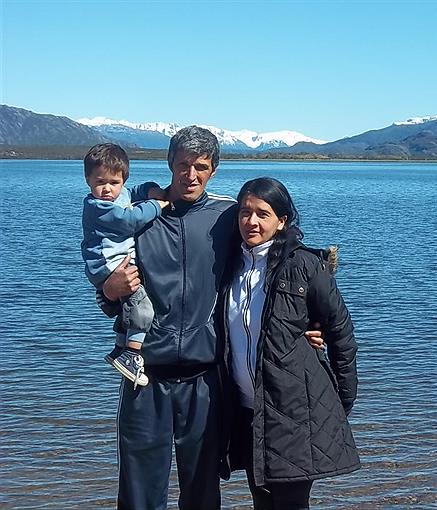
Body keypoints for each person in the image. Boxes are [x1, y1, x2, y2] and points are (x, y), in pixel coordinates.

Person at [101, 128, 324, 510]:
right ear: (170, 163)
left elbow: (279, 261)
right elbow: (103, 264)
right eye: (183, 165)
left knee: (202, 492)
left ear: (214, 170)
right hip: (143, 375)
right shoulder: (136, 214)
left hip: (205, 378)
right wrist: (108, 291)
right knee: (139, 494)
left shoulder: (226, 216)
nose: (191, 175)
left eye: (201, 167)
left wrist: (304, 325)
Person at [220, 177, 360, 509]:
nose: (251, 222)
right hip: (247, 412)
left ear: (281, 221)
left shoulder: (303, 266)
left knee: (291, 504)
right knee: (262, 501)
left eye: (262, 214)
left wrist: (341, 401)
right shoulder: (229, 264)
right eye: (245, 212)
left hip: (294, 411)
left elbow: (341, 333)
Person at [81, 143, 170, 388]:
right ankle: (131, 355)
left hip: (114, 263)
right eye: (100, 182)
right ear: (88, 180)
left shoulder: (120, 195)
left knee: (126, 308)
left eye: (114, 182)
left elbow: (133, 192)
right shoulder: (97, 207)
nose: (107, 189)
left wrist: (150, 189)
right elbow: (129, 220)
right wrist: (157, 205)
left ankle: (119, 348)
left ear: (123, 181)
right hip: (107, 266)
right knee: (142, 308)